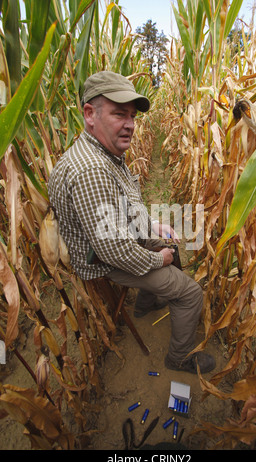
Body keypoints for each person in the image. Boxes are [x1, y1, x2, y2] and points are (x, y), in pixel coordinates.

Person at [48, 71, 216, 375]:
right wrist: (156, 258)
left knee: (170, 248)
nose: (130, 124)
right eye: (118, 114)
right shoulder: (92, 170)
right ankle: (178, 358)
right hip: (102, 259)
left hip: (113, 240)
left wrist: (152, 226)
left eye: (132, 116)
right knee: (191, 292)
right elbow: (114, 250)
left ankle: (144, 305)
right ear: (90, 114)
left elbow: (120, 209)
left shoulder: (105, 153)